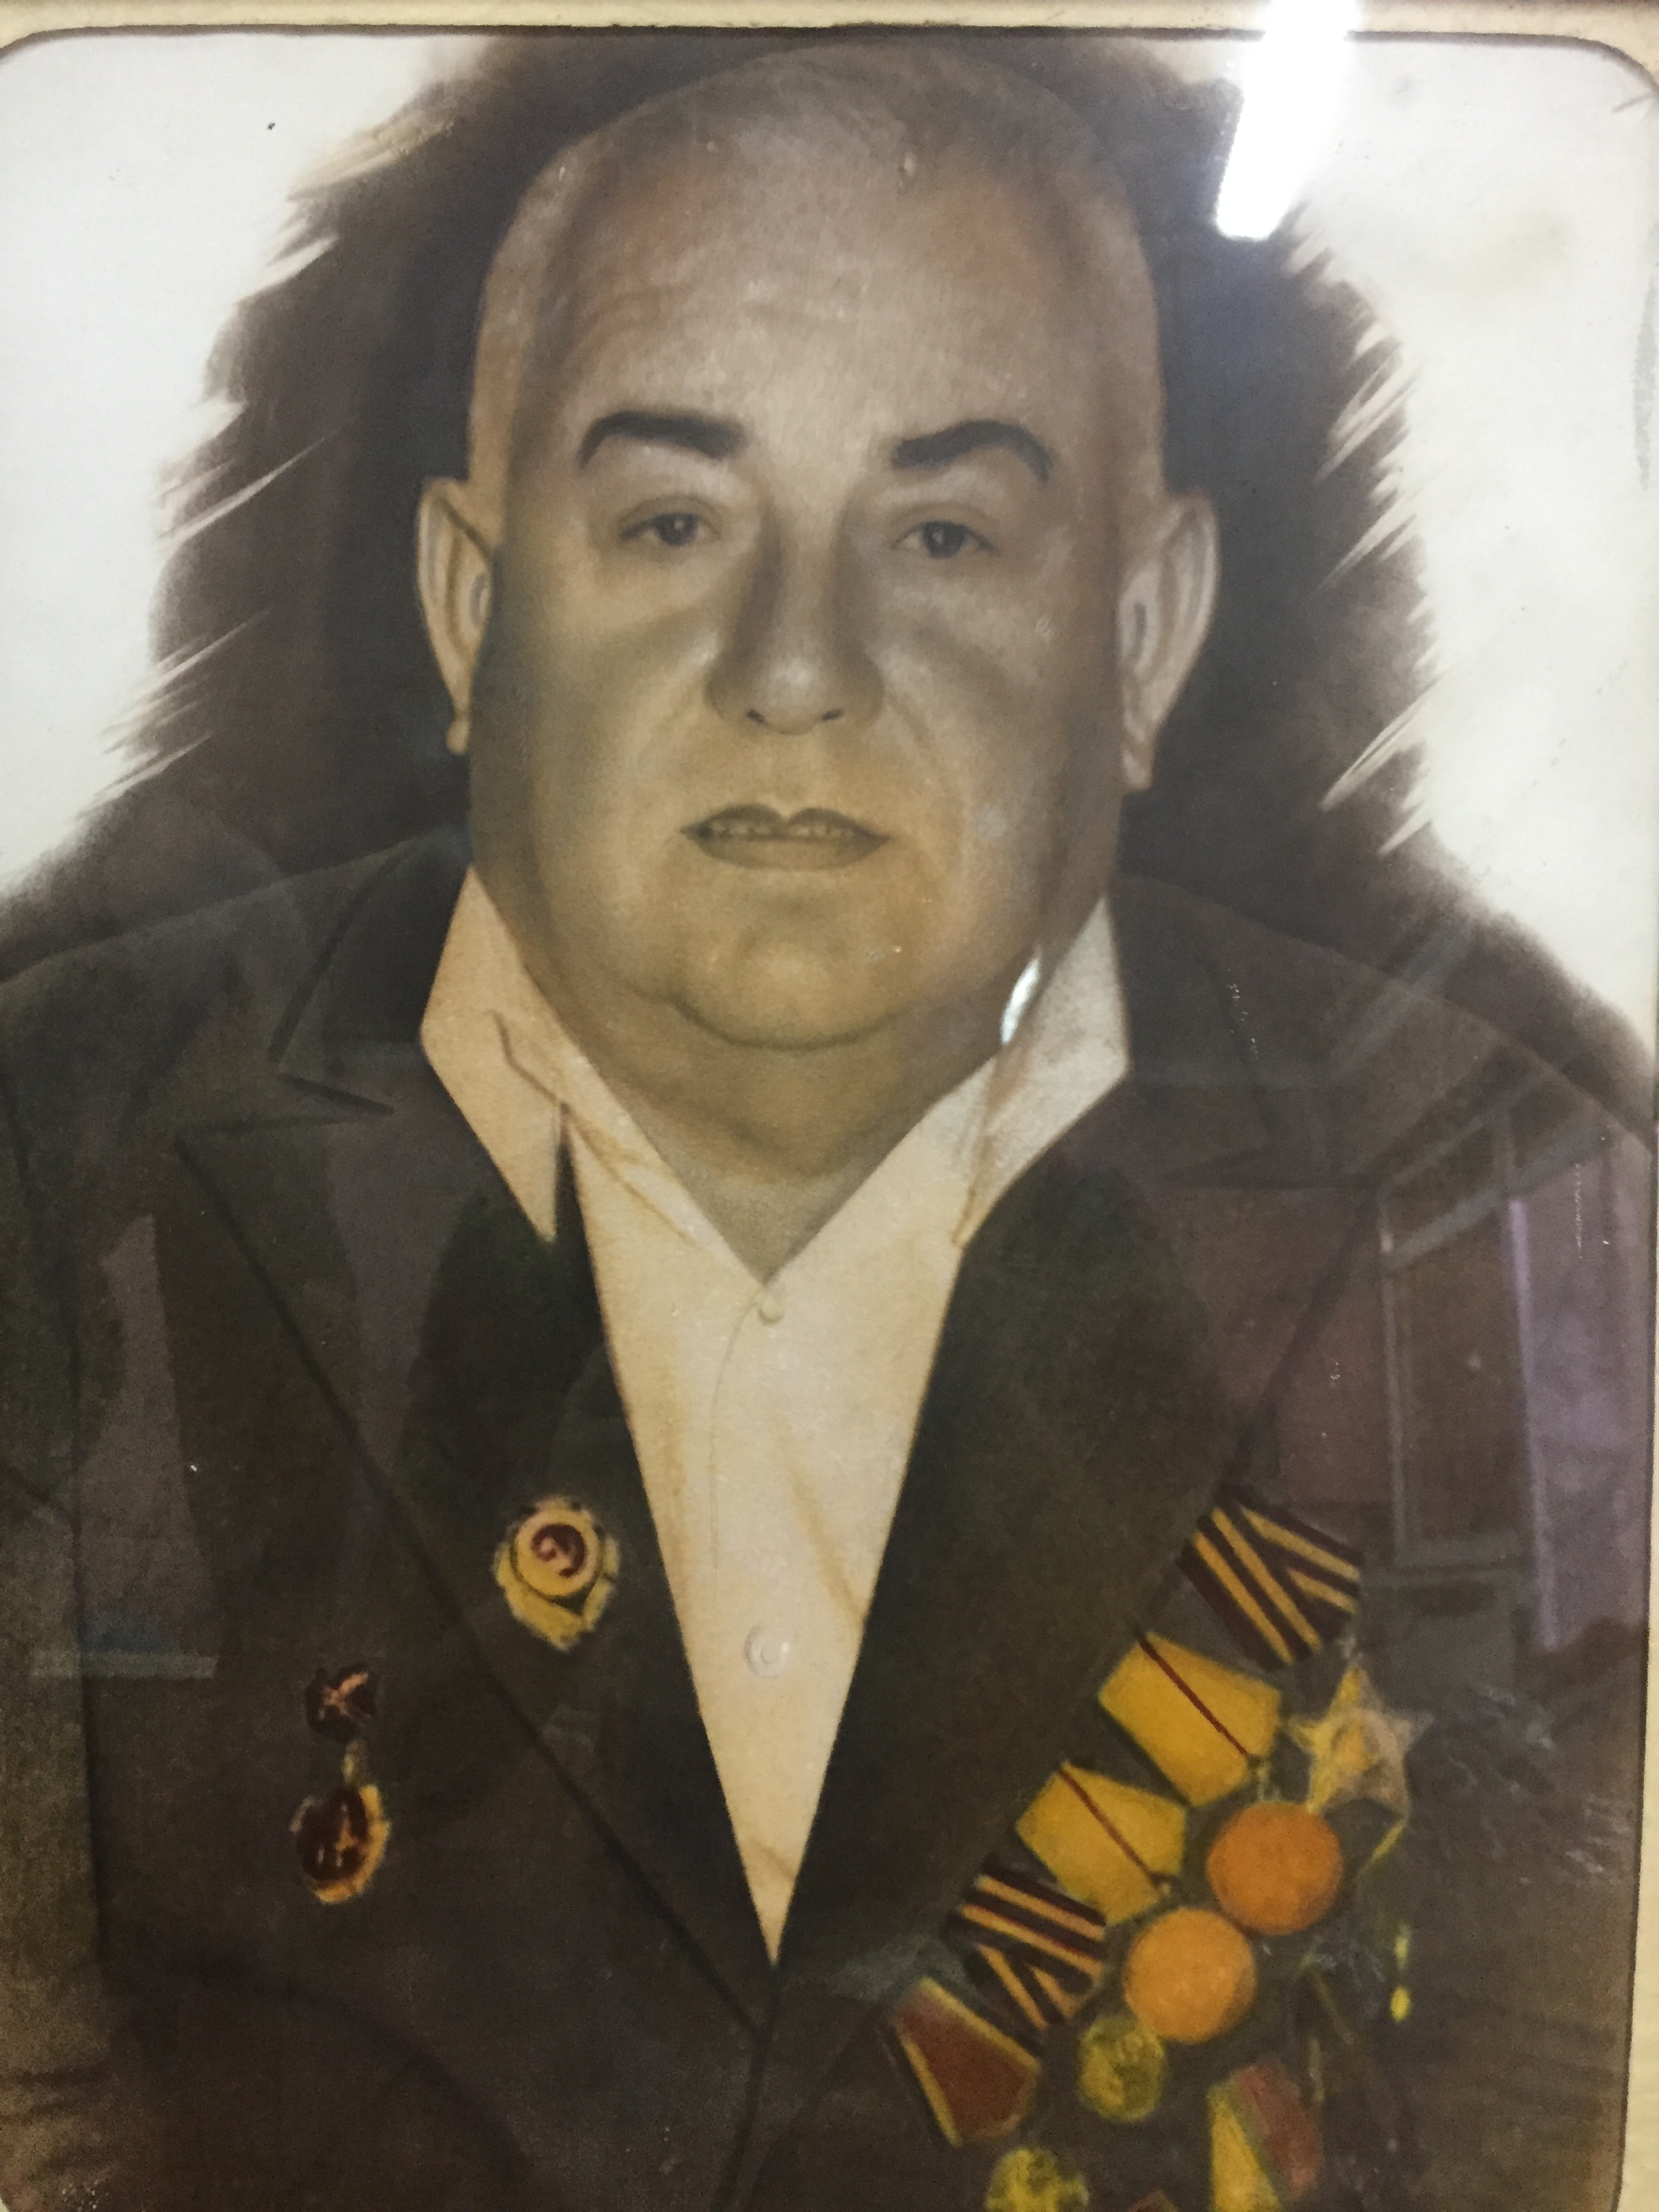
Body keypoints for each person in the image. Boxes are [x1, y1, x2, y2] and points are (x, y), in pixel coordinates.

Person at [0, 35, 1647, 2212]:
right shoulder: (59, 1153)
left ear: (1143, 635)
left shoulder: (1516, 1218)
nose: (796, 668)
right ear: (475, 613)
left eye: (944, 531)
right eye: (673, 523)